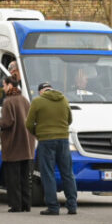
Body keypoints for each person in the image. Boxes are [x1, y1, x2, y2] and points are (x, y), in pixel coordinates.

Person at [27, 81, 78, 214]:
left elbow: (29, 123)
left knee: (48, 174)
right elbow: (69, 120)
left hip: (46, 141)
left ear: (40, 91)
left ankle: (53, 207)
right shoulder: (63, 100)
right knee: (67, 173)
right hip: (63, 140)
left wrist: (38, 133)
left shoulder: (38, 101)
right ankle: (72, 206)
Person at [0, 75, 36, 212]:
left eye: (4, 85)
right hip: (27, 145)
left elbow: (7, 122)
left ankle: (16, 205)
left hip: (13, 145)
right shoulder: (25, 100)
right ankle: (26, 204)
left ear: (10, 85)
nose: (3, 87)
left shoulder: (8, 102)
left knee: (13, 178)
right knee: (25, 177)